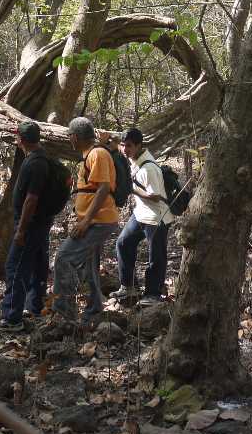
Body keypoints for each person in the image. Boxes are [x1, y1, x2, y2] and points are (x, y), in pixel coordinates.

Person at [51, 116, 120, 324]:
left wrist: (85, 221)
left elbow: (103, 188)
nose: (69, 141)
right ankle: (94, 311)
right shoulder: (91, 154)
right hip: (95, 220)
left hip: (99, 221)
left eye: (70, 137)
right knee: (89, 265)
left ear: (74, 137)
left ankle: (65, 315)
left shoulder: (97, 154)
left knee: (64, 258)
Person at [0, 121, 56, 332]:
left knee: (15, 267)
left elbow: (31, 199)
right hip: (41, 223)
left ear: (20, 139)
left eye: (17, 136)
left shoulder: (35, 164)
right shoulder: (43, 157)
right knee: (38, 264)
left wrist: (21, 230)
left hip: (30, 225)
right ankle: (35, 306)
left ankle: (12, 318)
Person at [114, 127, 172, 305]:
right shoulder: (134, 159)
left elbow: (156, 196)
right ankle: (129, 286)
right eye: (123, 145)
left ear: (139, 146)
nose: (125, 149)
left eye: (129, 146)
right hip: (140, 215)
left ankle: (153, 294)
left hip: (157, 217)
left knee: (156, 256)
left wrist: (131, 189)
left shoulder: (149, 169)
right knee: (123, 243)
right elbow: (117, 148)